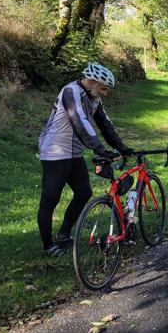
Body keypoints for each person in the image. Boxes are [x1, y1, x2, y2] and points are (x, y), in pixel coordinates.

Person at [37, 62, 133, 256]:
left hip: (74, 153)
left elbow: (105, 124)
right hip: (55, 153)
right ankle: (48, 245)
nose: (105, 92)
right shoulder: (71, 92)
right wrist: (100, 149)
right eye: (103, 88)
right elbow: (79, 121)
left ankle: (64, 234)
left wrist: (121, 147)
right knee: (50, 198)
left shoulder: (93, 97)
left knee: (83, 193)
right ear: (92, 82)